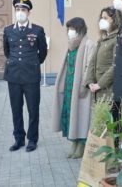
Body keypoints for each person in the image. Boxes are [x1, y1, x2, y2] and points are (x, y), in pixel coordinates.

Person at [3, 0, 47, 152]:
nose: (20, 12)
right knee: (16, 109)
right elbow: (7, 51)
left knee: (33, 109)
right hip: (13, 75)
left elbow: (42, 53)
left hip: (31, 75)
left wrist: (32, 63)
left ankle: (32, 139)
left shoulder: (37, 30)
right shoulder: (8, 30)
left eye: (23, 9)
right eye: (18, 9)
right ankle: (18, 139)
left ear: (29, 12)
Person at [51, 17, 95, 159]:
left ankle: (81, 144)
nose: (70, 32)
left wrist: (84, 84)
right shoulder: (71, 46)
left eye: (73, 29)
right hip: (70, 85)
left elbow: (90, 67)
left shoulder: (89, 44)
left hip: (81, 86)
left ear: (80, 30)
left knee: (81, 115)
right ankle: (73, 142)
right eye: (69, 29)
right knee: (71, 115)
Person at [86, 6, 122, 101]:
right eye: (101, 18)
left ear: (114, 19)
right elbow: (92, 62)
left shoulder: (117, 39)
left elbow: (116, 65)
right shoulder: (102, 39)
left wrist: (99, 84)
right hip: (97, 89)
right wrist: (90, 82)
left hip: (109, 90)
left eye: (105, 18)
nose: (102, 21)